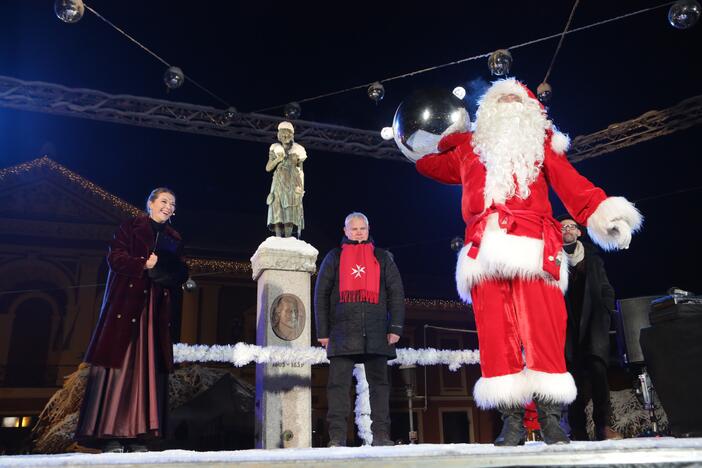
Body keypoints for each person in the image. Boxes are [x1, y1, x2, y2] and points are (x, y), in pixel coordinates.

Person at [415, 78, 642, 445]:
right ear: (486, 111)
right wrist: (432, 140)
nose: (508, 104)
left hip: (535, 246)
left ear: (530, 109)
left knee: (544, 332)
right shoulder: (470, 148)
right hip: (484, 249)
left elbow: (571, 183)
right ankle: (513, 421)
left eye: (515, 99)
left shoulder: (541, 144)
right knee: (494, 336)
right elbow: (428, 166)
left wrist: (603, 214)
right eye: (500, 99)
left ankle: (552, 419)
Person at [75, 188, 188, 452]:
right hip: (125, 307)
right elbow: (115, 258)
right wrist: (143, 265)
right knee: (120, 368)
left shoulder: (174, 237)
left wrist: (158, 268)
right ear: (150, 204)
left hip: (153, 311)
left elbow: (180, 272)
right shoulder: (130, 227)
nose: (168, 207)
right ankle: (110, 433)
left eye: (172, 203)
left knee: (146, 371)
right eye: (163, 201)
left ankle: (138, 435)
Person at [314, 212, 405, 447]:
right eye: (353, 229)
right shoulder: (333, 257)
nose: (358, 232)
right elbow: (320, 295)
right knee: (338, 387)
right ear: (345, 231)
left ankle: (382, 435)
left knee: (380, 386)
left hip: (377, 332)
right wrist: (323, 332)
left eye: (361, 228)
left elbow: (396, 293)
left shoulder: (383, 257)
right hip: (342, 332)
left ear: (368, 229)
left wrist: (395, 327)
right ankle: (337, 437)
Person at [559, 216, 622, 441]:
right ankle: (577, 431)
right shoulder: (553, 258)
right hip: (568, 326)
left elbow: (605, 286)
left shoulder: (593, 256)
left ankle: (603, 427)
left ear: (578, 232)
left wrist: (606, 309)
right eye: (562, 227)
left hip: (594, 321)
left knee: (599, 375)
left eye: (571, 226)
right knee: (573, 379)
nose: (566, 229)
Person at [266, 121, 306, 238]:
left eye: (287, 133)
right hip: (278, 181)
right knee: (276, 207)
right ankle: (278, 237)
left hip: (293, 181)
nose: (285, 136)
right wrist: (278, 159)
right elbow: (268, 168)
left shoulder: (298, 150)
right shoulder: (275, 148)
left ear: (292, 135)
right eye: (282, 133)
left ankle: (288, 238)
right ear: (279, 135)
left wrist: (301, 187)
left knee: (290, 208)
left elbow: (301, 171)